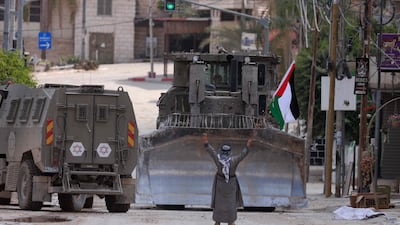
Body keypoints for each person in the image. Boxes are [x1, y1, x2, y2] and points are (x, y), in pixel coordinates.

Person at [202, 133, 253, 225]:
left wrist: (206, 142)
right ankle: (231, 222)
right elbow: (243, 154)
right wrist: (248, 145)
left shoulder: (218, 160)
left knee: (219, 205)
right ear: (230, 152)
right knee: (231, 205)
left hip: (220, 186)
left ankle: (218, 222)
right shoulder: (233, 160)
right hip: (231, 185)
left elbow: (211, 152)